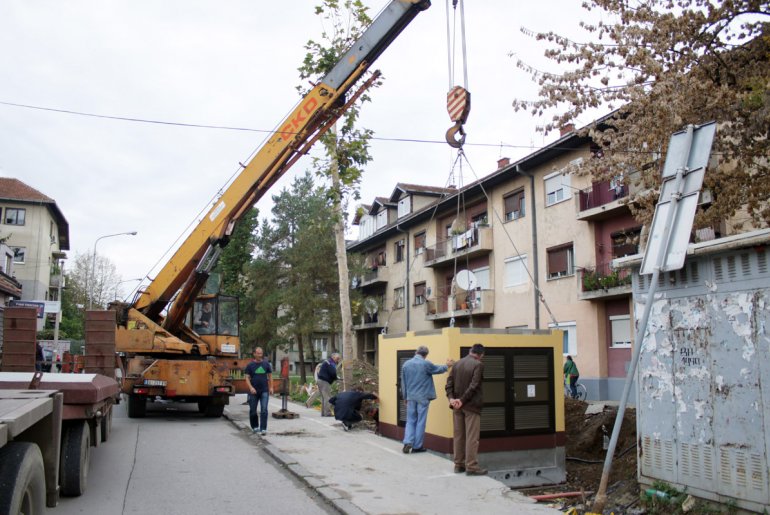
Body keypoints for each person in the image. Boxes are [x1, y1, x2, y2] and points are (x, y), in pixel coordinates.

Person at [400, 345, 454, 454]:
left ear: (416, 352)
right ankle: (417, 446)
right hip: (423, 397)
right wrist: (447, 366)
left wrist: (405, 397)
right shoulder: (425, 363)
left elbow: (403, 383)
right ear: (426, 355)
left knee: (410, 420)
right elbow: (437, 369)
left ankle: (407, 442)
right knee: (421, 421)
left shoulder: (406, 364)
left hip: (411, 397)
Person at [445, 343, 486, 476]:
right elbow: (474, 386)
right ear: (481, 355)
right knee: (472, 437)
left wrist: (452, 399)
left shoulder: (456, 364)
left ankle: (458, 465)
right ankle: (471, 466)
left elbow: (448, 384)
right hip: (471, 406)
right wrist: (462, 400)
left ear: (470, 351)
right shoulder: (478, 365)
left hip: (456, 406)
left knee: (459, 436)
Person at [245, 346, 273, 435]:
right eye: (258, 353)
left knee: (264, 409)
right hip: (254, 392)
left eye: (261, 353)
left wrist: (271, 387)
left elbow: (270, 376)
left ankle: (263, 428)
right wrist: (251, 388)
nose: (260, 355)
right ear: (254, 354)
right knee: (253, 411)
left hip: (264, 390)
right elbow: (246, 378)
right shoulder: (250, 365)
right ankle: (255, 427)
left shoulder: (266, 364)